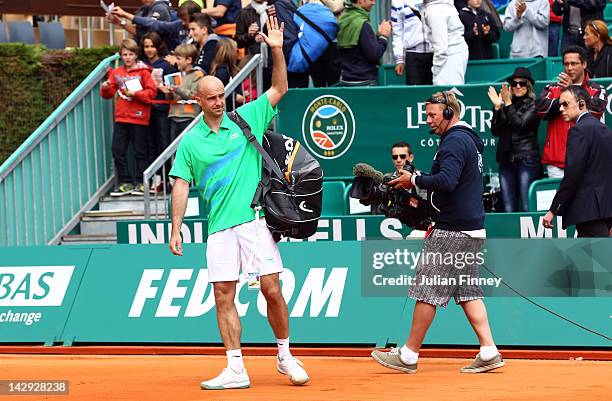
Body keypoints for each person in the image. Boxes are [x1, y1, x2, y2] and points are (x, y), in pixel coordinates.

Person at [168, 16, 309, 390]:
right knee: (223, 294)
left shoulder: (245, 118)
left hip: (253, 219)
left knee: (271, 288)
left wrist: (277, 49)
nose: (219, 101)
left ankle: (284, 355)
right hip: (218, 228)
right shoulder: (191, 142)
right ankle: (235, 367)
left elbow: (280, 87)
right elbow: (180, 185)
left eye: (222, 95)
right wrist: (176, 227)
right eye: (211, 97)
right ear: (198, 101)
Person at [371, 91, 504, 374]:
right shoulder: (466, 138)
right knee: (467, 290)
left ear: (448, 113)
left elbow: (447, 180)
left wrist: (413, 179)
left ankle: (408, 354)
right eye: (427, 115)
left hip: (454, 229)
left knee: (426, 290)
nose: (428, 121)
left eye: (432, 115)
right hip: (471, 227)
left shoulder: (454, 141)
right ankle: (489, 350)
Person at [543, 85, 612, 237]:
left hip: (589, 212)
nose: (561, 109)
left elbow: (572, 175)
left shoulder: (578, 130)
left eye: (565, 104)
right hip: (606, 212)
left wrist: (553, 210)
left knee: (588, 258)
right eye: (560, 104)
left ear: (581, 104)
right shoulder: (605, 129)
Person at [536, 45, 606, 178]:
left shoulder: (598, 89)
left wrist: (571, 90)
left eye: (574, 63)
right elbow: (541, 109)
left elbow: (597, 110)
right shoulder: (552, 88)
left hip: (587, 161)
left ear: (584, 64)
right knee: (560, 199)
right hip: (557, 163)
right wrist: (565, 97)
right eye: (566, 64)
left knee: (585, 199)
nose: (569, 68)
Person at [100, 39, 157, 197]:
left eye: (131, 54)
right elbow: (108, 94)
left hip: (140, 118)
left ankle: (141, 183)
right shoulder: (116, 72)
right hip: (121, 118)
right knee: (117, 150)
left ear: (136, 55)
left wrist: (135, 94)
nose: (127, 57)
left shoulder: (144, 72)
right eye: (124, 54)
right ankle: (125, 183)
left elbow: (151, 94)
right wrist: (105, 88)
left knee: (140, 152)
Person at [488, 67, 541, 212]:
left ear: (528, 86)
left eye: (522, 83)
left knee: (526, 206)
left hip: (526, 160)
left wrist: (507, 103)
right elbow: (495, 130)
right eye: (514, 83)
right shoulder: (506, 104)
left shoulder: (534, 105)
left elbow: (519, 125)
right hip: (506, 160)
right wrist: (498, 108)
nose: (517, 86)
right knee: (508, 207)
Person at [141, 32, 177, 193]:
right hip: (146, 110)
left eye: (151, 46)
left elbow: (174, 88)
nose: (149, 50)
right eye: (146, 46)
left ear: (158, 47)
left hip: (163, 110)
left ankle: (168, 180)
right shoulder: (141, 65)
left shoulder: (166, 65)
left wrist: (165, 90)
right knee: (150, 145)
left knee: (164, 144)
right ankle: (156, 180)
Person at [337, 0, 391, 86]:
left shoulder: (344, 20)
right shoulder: (362, 24)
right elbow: (374, 54)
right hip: (364, 82)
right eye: (371, 0)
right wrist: (384, 36)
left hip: (346, 80)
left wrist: (377, 36)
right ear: (360, 1)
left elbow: (358, 48)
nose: (374, 3)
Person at [113, 1, 202, 50]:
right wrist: (124, 18)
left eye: (185, 20)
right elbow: (153, 24)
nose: (182, 22)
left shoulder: (160, 8)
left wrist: (124, 15)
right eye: (181, 19)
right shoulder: (178, 25)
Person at [159, 44, 204, 143]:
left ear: (189, 60)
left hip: (189, 117)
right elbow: (170, 98)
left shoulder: (197, 74)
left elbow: (193, 95)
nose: (176, 61)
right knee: (175, 149)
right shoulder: (175, 75)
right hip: (174, 116)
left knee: (189, 147)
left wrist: (176, 89)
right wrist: (168, 92)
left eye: (178, 59)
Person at [423, 0, 469, 85]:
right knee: (454, 92)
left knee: (447, 94)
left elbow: (441, 49)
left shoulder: (434, 10)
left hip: (449, 56)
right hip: (456, 52)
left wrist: (435, 71)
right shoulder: (444, 5)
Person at [391, 0, 433, 85]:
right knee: (416, 94)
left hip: (436, 53)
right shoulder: (397, 2)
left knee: (438, 93)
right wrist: (399, 59)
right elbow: (397, 32)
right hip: (413, 55)